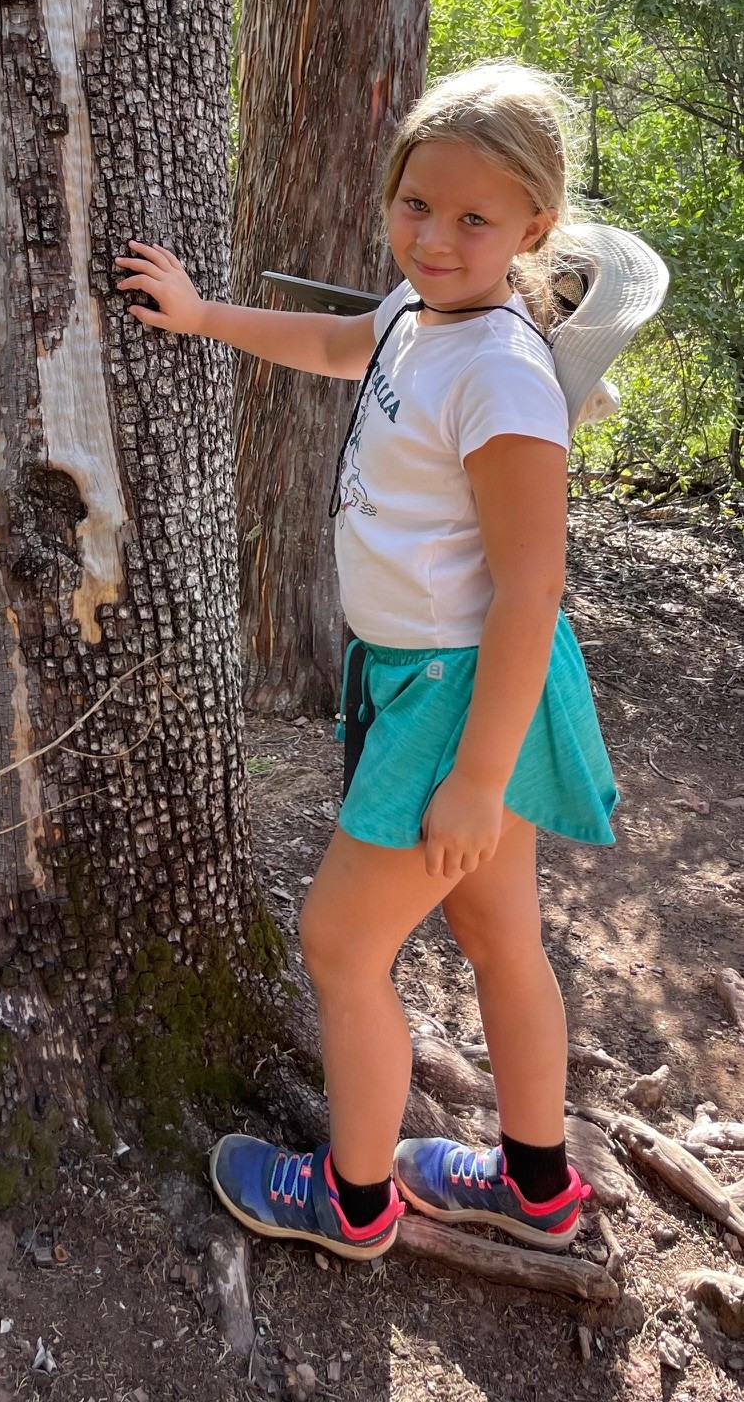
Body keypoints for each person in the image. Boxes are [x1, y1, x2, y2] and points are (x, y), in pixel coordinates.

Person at [115, 63, 631, 1264]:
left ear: (534, 229)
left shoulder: (503, 376)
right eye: (415, 205)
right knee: (504, 941)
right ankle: (538, 1186)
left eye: (472, 220)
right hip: (433, 687)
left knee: (342, 946)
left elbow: (531, 590)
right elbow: (346, 342)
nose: (434, 239)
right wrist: (203, 319)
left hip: (460, 700)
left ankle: (350, 1203)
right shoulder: (416, 315)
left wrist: (472, 774)